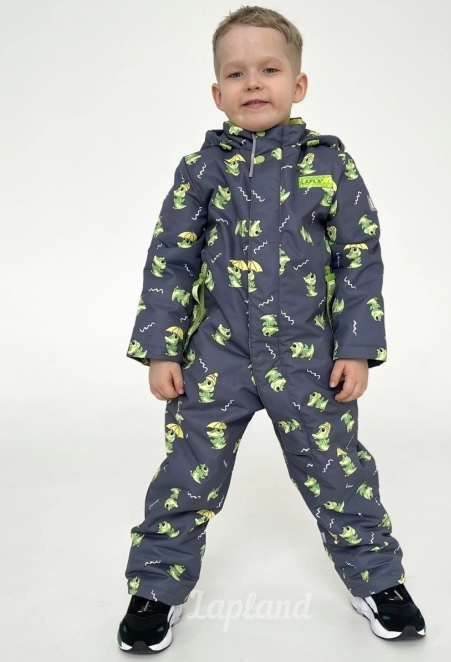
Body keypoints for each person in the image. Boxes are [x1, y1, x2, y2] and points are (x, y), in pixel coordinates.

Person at [117, 5, 426, 654]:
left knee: (340, 471)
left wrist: (357, 349)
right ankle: (157, 587)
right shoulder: (201, 170)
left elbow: (359, 258)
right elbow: (170, 261)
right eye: (236, 73)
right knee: (187, 474)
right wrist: (161, 351)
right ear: (217, 93)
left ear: (298, 84)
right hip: (215, 357)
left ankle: (379, 580)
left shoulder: (329, 166)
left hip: (308, 358)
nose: (253, 82)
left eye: (269, 70)